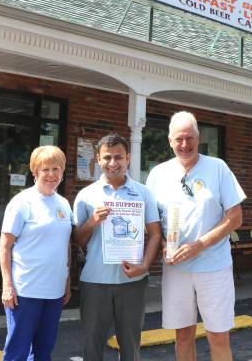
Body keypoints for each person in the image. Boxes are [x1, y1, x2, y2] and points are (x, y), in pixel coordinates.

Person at [146, 111, 246, 361]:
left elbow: (236, 217)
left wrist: (199, 245)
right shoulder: (158, 174)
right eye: (179, 139)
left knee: (218, 336)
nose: (184, 144)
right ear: (169, 141)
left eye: (190, 138)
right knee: (182, 335)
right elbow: (151, 222)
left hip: (214, 268)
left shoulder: (218, 167)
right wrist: (158, 249)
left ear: (198, 138)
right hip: (175, 269)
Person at [72, 133, 161, 361]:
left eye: (118, 157)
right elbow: (77, 241)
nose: (113, 163)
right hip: (95, 281)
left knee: (130, 345)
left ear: (128, 158)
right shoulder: (85, 195)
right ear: (98, 160)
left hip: (132, 281)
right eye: (107, 157)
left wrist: (144, 266)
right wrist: (92, 221)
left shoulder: (143, 193)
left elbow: (155, 234)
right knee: (92, 345)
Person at [0, 145, 72, 361]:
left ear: (62, 172)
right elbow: (5, 245)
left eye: (56, 169)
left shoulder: (64, 204)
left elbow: (65, 244)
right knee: (17, 351)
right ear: (35, 172)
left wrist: (67, 282)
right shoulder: (22, 202)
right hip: (25, 291)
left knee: (44, 350)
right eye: (45, 169)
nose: (51, 174)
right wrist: (7, 285)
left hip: (54, 291)